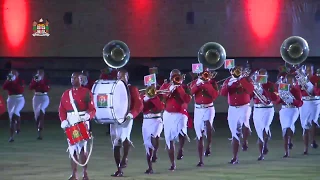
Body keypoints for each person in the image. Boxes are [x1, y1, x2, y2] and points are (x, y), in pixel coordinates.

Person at [59, 72, 96, 180]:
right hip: (70, 121)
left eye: (76, 78)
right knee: (72, 149)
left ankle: (85, 173)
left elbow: (92, 109)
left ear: (81, 80)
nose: (73, 79)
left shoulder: (86, 92)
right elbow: (62, 109)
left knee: (82, 148)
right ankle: (74, 174)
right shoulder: (66, 93)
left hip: (82, 120)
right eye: (72, 77)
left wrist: (88, 115)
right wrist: (63, 120)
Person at [110, 69, 143, 177]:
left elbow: (139, 105)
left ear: (127, 77)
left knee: (121, 139)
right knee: (115, 143)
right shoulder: (113, 88)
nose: (121, 78)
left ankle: (124, 158)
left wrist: (131, 114)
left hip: (126, 118)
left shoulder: (131, 89)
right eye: (119, 76)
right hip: (114, 119)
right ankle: (118, 169)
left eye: (123, 76)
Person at [220, 66, 254, 164]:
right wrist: (227, 85)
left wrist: (241, 80)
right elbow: (222, 93)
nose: (236, 72)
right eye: (234, 70)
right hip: (232, 109)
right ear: (231, 72)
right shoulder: (228, 81)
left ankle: (245, 140)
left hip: (245, 106)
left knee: (245, 123)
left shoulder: (246, 80)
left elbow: (250, 90)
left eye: (239, 70)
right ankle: (235, 157)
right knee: (234, 134)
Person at [159, 69, 191, 171]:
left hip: (181, 113)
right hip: (168, 114)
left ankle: (181, 148)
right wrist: (170, 90)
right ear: (169, 77)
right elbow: (161, 99)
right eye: (172, 76)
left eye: (177, 76)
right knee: (169, 139)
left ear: (180, 76)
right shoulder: (165, 86)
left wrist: (179, 88)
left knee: (182, 132)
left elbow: (187, 100)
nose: (174, 78)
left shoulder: (185, 87)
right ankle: (172, 164)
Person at [189, 68, 219, 166]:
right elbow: (191, 93)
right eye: (203, 73)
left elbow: (214, 95)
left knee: (208, 124)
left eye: (207, 73)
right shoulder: (195, 82)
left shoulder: (213, 83)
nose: (205, 75)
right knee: (199, 134)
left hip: (209, 108)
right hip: (198, 109)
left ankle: (208, 146)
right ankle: (200, 160)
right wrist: (198, 84)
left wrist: (206, 83)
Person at [252, 69, 279, 161]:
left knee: (265, 127)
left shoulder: (271, 85)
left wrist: (267, 90)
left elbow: (275, 98)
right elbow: (249, 95)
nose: (262, 78)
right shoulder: (254, 85)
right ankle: (261, 153)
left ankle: (265, 146)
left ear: (267, 76)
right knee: (259, 132)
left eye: (264, 76)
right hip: (257, 109)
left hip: (268, 109)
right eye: (260, 76)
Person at [274, 74, 303, 157]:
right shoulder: (282, 89)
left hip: (293, 110)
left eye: (291, 80)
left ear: (294, 82)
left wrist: (293, 100)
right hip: (283, 110)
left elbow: (300, 103)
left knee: (289, 127)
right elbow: (277, 101)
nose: (289, 82)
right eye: (287, 80)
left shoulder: (296, 90)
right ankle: (286, 152)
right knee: (285, 130)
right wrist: (277, 95)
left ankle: (290, 140)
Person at [141, 83, 164, 174]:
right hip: (146, 120)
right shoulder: (143, 96)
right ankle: (150, 167)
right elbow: (142, 108)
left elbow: (160, 107)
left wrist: (154, 97)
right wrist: (145, 99)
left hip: (156, 120)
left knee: (154, 136)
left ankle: (155, 153)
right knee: (147, 144)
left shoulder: (158, 96)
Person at [297, 64, 320, 153]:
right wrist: (300, 87)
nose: (308, 72)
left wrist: (314, 88)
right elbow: (297, 90)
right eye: (306, 70)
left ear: (313, 71)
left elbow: (317, 92)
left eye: (310, 70)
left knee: (313, 121)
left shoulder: (317, 79)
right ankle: (305, 149)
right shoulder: (301, 79)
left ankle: (313, 140)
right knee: (305, 126)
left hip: (315, 102)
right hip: (304, 102)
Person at [3, 69, 25, 142]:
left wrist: (14, 81)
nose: (13, 75)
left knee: (14, 114)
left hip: (19, 99)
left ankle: (17, 127)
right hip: (10, 99)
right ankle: (12, 136)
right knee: (11, 118)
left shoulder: (20, 80)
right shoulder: (9, 80)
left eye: (14, 73)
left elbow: (20, 90)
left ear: (17, 74)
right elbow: (4, 87)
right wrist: (8, 81)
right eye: (11, 73)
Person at [29, 68, 50, 140]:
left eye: (41, 73)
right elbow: (30, 87)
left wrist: (41, 81)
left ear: (43, 74)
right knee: (36, 116)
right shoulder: (35, 79)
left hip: (44, 97)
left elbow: (45, 89)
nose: (39, 74)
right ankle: (39, 132)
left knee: (41, 110)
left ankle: (40, 130)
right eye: (38, 73)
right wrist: (35, 81)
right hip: (36, 97)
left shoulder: (46, 80)